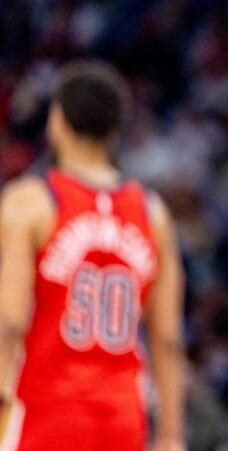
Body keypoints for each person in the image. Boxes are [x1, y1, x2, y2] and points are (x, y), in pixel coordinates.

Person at [0, 60, 186, 451]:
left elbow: (9, 323)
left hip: (45, 411)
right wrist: (170, 436)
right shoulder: (153, 213)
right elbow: (167, 339)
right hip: (121, 416)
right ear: (115, 130)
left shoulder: (29, 203)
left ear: (58, 121)